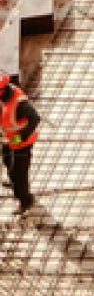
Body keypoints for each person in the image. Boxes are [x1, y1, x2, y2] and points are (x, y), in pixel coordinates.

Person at [1, 71, 40, 216]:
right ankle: (14, 183)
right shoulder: (4, 96)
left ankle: (25, 200)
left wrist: (21, 138)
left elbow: (35, 118)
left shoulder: (20, 104)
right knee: (7, 161)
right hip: (9, 139)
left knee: (20, 172)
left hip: (22, 142)